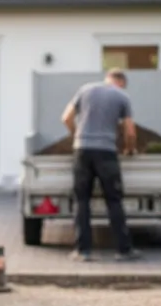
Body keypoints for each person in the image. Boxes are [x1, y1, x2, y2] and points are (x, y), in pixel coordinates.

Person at [60, 68, 139, 262]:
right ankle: (123, 250)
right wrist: (129, 149)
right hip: (106, 153)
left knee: (82, 200)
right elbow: (130, 131)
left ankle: (83, 251)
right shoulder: (122, 96)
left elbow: (66, 118)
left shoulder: (85, 90)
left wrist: (76, 135)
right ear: (121, 82)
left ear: (107, 79)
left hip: (82, 151)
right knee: (114, 200)